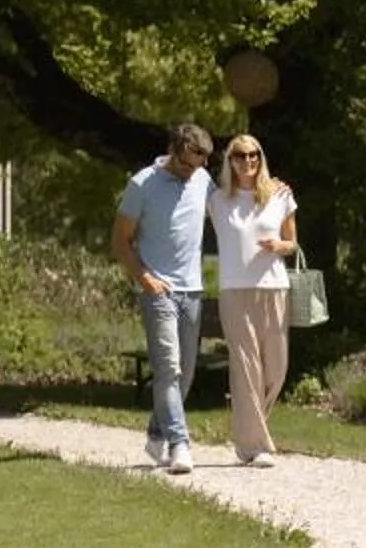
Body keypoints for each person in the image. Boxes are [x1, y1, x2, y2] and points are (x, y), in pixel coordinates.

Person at [112, 122, 214, 473]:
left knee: (184, 373)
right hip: (158, 290)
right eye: (186, 164)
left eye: (198, 165)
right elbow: (120, 241)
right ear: (173, 151)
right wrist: (144, 278)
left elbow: (236, 205)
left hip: (192, 290)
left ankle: (157, 431)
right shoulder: (142, 184)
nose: (191, 172)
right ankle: (180, 442)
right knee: (167, 367)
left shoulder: (202, 180)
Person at [210, 135, 299, 467]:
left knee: (276, 368)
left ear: (261, 158)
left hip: (274, 287)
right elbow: (184, 184)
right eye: (240, 156)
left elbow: (293, 244)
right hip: (235, 290)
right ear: (229, 161)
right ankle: (254, 445)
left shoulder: (280, 196)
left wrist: (279, 246)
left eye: (253, 155)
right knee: (246, 367)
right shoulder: (217, 199)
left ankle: (248, 434)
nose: (247, 161)